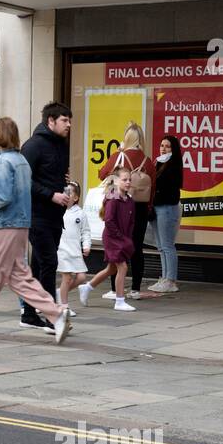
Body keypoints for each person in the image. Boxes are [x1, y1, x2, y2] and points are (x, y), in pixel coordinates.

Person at [0, 119, 70, 344]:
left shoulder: (2, 162)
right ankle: (56, 314)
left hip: (3, 226)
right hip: (20, 225)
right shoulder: (21, 160)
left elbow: (1, 198)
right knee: (20, 278)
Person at [20, 102, 73, 330]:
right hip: (35, 214)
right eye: (64, 120)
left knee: (40, 265)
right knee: (50, 261)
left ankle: (29, 314)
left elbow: (52, 173)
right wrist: (51, 194)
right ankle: (52, 316)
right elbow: (24, 180)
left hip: (55, 216)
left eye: (69, 120)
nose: (69, 124)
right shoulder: (33, 145)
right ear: (50, 121)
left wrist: (64, 183)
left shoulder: (61, 144)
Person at [98, 121, 155, 297]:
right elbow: (152, 189)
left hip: (120, 206)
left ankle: (115, 290)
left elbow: (101, 174)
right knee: (137, 247)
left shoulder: (118, 157)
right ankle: (136, 288)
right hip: (141, 209)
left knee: (117, 245)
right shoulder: (148, 162)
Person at [79, 169, 138, 312]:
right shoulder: (113, 200)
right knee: (122, 267)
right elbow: (109, 221)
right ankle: (119, 300)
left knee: (111, 269)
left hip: (122, 238)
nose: (128, 182)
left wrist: (128, 238)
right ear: (116, 181)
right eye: (124, 180)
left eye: (129, 179)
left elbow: (131, 222)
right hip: (113, 238)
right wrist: (121, 237)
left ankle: (87, 287)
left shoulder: (129, 200)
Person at [149, 134, 184, 293]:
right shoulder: (157, 163)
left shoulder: (173, 164)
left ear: (173, 148)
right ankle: (164, 278)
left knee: (168, 245)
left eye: (167, 146)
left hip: (167, 208)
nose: (163, 148)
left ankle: (171, 280)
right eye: (162, 145)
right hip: (156, 207)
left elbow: (170, 189)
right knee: (161, 246)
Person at [56, 182, 90, 315]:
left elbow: (85, 231)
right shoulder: (58, 210)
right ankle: (64, 306)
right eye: (64, 192)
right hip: (62, 250)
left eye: (69, 193)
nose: (66, 195)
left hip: (75, 250)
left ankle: (61, 292)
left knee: (81, 277)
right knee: (67, 278)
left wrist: (86, 245)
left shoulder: (80, 214)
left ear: (75, 198)